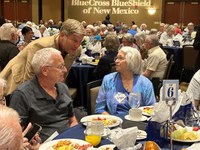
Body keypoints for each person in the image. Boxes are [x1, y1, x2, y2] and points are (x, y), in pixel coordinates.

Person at [0, 19, 85, 97]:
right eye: (74, 41)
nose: (77, 45)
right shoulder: (40, 46)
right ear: (62, 35)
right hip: (17, 81)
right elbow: (29, 79)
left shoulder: (77, 50)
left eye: (80, 41)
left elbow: (62, 74)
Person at [10, 48, 78, 142]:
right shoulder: (22, 95)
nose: (65, 70)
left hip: (69, 142)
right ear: (45, 70)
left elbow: (72, 120)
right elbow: (16, 135)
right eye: (61, 66)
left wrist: (75, 139)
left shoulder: (62, 87)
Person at [95, 46, 156, 115]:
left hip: (138, 122)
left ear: (132, 61)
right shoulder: (108, 80)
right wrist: (112, 120)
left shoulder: (145, 83)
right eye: (116, 58)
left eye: (120, 58)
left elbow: (151, 109)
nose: (116, 61)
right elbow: (99, 108)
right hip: (114, 121)